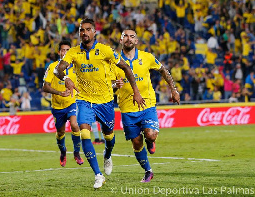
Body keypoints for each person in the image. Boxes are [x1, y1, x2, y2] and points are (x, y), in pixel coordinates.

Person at [54, 18, 145, 189]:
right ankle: (98, 174)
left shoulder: (105, 50)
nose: (84, 33)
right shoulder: (73, 52)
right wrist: (65, 78)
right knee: (85, 134)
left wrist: (136, 91)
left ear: (94, 32)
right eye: (82, 30)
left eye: (88, 29)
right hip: (84, 100)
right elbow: (58, 69)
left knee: (109, 137)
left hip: (105, 101)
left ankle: (107, 154)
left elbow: (126, 67)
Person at [115, 29, 180, 183]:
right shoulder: (114, 61)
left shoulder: (147, 57)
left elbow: (163, 71)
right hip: (127, 108)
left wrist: (173, 89)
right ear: (120, 40)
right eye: (125, 36)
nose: (129, 39)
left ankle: (150, 141)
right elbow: (107, 83)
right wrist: (114, 84)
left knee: (150, 134)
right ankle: (148, 171)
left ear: (136, 41)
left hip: (147, 104)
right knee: (137, 142)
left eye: (132, 37)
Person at [42, 40, 84, 167]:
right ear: (59, 52)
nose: (65, 52)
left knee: (75, 125)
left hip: (72, 103)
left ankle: (76, 152)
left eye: (68, 50)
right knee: (60, 133)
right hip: (57, 106)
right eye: (63, 50)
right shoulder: (52, 67)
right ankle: (63, 151)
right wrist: (59, 93)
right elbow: (45, 87)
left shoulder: (76, 68)